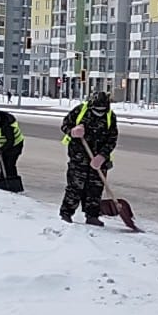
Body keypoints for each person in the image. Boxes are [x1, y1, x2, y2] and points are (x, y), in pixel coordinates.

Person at [58, 89, 118, 225]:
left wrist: (102, 156)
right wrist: (72, 131)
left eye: (102, 109)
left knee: (95, 189)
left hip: (98, 160)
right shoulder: (80, 111)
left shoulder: (110, 117)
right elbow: (65, 125)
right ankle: (66, 213)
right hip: (79, 157)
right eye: (97, 109)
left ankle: (92, 216)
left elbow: (112, 139)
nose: (100, 112)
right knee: (75, 187)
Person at [0, 109, 24, 180]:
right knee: (3, 164)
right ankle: (3, 180)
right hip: (6, 145)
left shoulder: (7, 126)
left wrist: (1, 149)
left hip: (15, 145)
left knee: (10, 164)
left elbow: (11, 141)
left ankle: (12, 180)